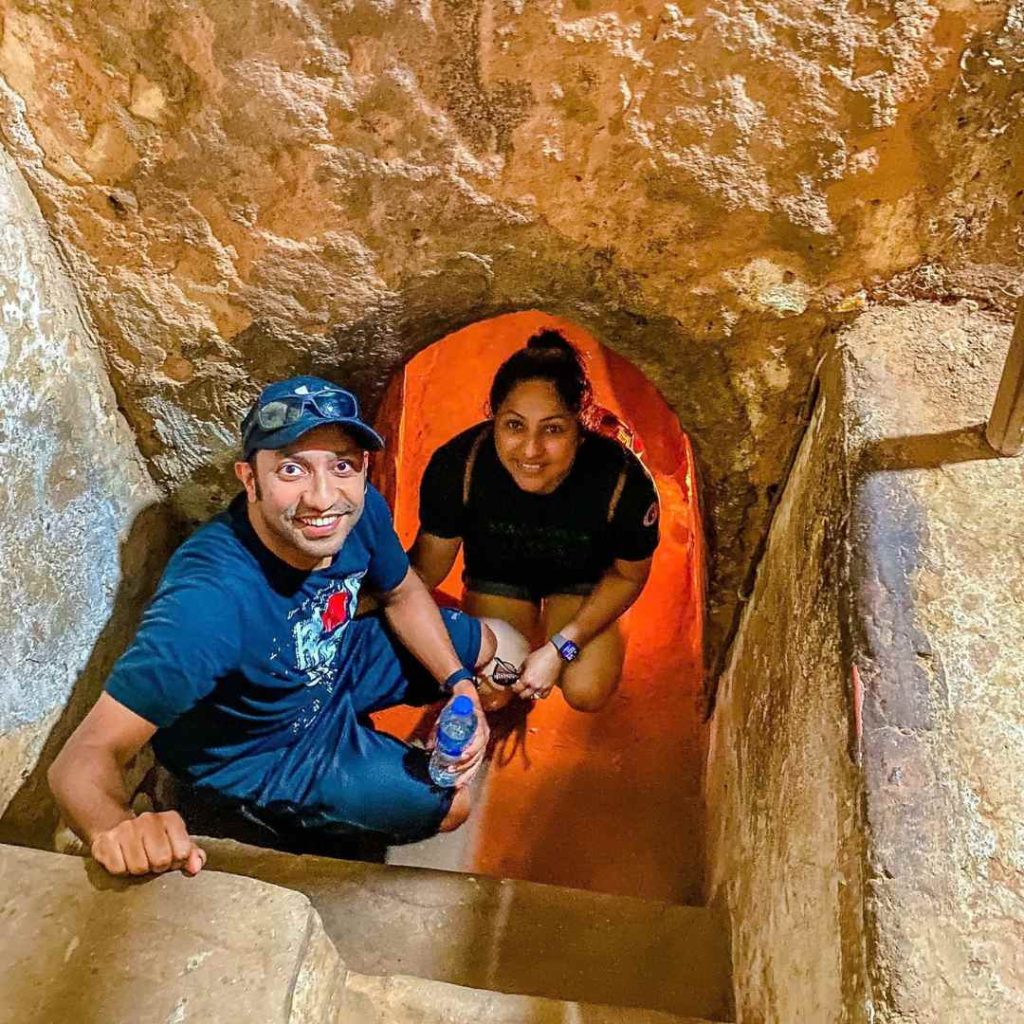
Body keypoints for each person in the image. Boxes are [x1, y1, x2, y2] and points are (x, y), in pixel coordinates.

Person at [48, 376, 497, 878]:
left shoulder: (359, 508)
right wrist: (115, 827)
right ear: (249, 479)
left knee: (483, 644)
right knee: (453, 804)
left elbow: (402, 591)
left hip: (329, 659)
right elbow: (83, 757)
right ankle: (275, 817)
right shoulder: (210, 602)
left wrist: (461, 686)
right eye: (291, 469)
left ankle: (362, 738)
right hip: (266, 746)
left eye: (342, 465)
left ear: (363, 468)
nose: (323, 497)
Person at [410, 330, 660, 713]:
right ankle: (503, 634)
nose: (531, 450)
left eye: (553, 429)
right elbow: (425, 570)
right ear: (493, 419)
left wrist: (561, 648)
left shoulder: (622, 481)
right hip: (500, 578)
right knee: (491, 690)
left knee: (586, 688)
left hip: (582, 584)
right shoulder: (459, 466)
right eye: (514, 425)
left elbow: (629, 576)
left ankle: (574, 632)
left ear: (580, 429)